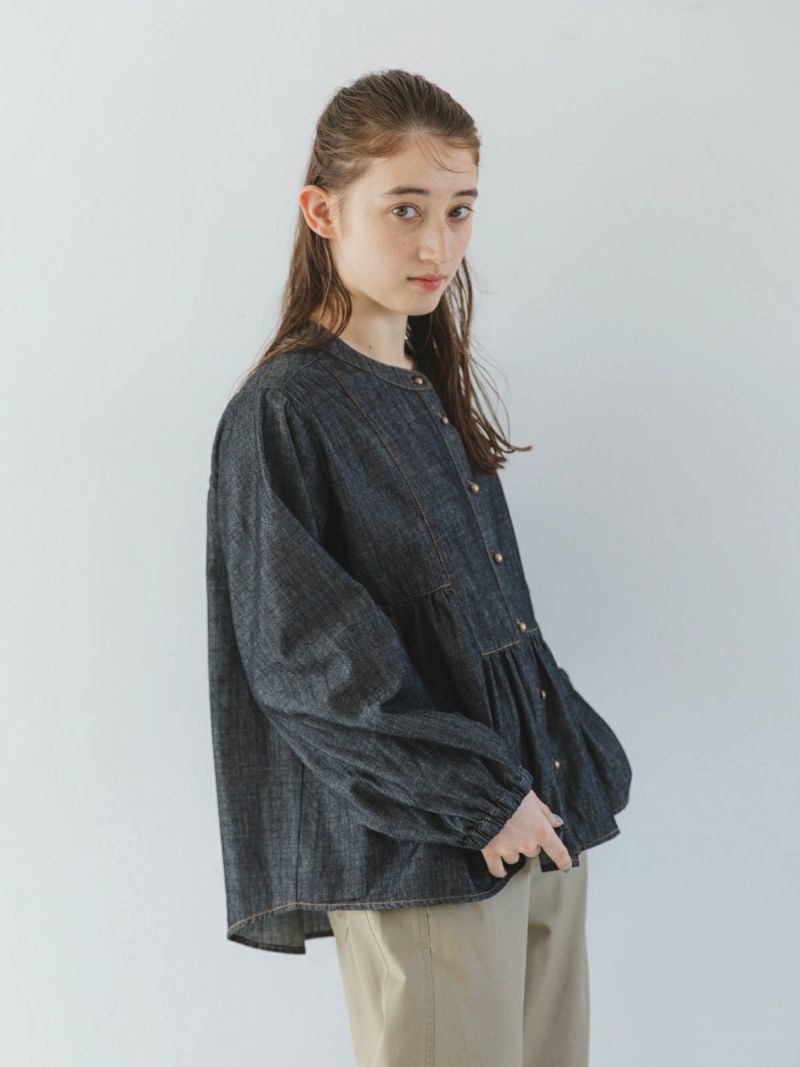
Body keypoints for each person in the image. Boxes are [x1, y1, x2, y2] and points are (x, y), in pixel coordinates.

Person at [206, 68, 633, 1066]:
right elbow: (302, 663)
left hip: (536, 823)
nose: (436, 244)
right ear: (322, 211)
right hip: (433, 850)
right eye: (404, 208)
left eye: (458, 209)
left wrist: (544, 776)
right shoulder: (287, 409)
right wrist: (476, 797)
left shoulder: (423, 385)